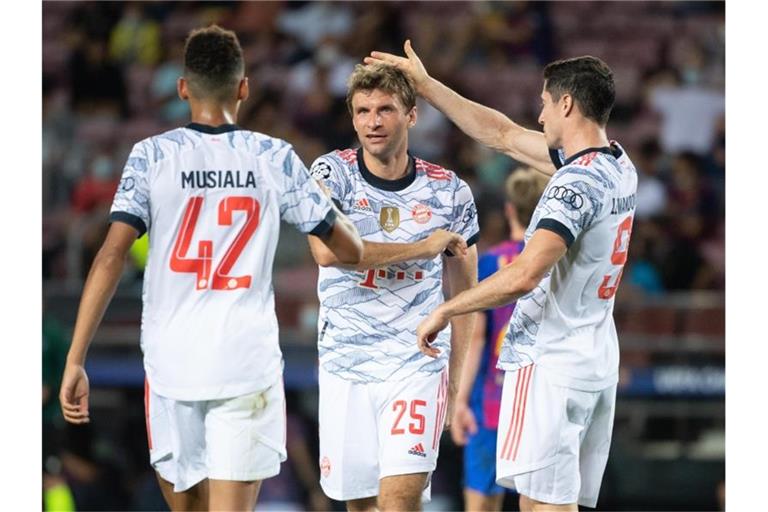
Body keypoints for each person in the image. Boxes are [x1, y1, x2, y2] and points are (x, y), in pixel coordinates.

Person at [59, 25, 363, 512]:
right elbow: (348, 249)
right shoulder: (274, 157)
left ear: (183, 89)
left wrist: (76, 358)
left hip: (171, 362)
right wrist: (323, 201)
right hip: (246, 362)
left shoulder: (151, 155)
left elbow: (110, 256)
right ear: (243, 88)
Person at [368, 43, 637, 511]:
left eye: (545, 103)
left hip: (550, 362)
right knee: (548, 502)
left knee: (542, 506)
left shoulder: (573, 186)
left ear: (567, 104)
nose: (540, 116)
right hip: (593, 356)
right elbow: (503, 135)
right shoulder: (617, 165)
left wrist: (447, 308)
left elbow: (524, 276)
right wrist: (428, 87)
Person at [306, 63, 480, 511]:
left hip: (415, 363)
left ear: (412, 115)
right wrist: (420, 248)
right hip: (346, 363)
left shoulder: (450, 192)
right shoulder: (331, 173)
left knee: (401, 500)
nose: (373, 121)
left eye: (385, 109)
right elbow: (326, 252)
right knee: (361, 505)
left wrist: (456, 379)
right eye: (363, 111)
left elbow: (465, 295)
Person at [451, 168, 547, 512]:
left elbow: (476, 340)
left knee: (481, 505)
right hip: (540, 400)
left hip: (491, 402)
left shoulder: (491, 263)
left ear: (509, 209)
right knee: (541, 499)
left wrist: (458, 401)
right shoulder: (555, 262)